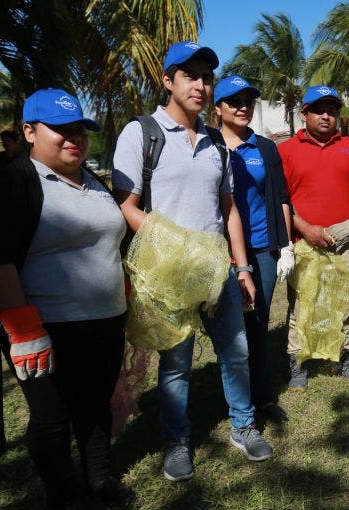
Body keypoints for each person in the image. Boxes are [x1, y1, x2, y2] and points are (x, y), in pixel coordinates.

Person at [0, 88, 132, 510]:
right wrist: (22, 326)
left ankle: (99, 478)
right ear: (29, 131)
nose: (73, 138)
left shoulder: (93, 180)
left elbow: (112, 242)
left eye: (79, 129)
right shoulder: (12, 184)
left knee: (97, 404)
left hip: (105, 319)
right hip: (45, 327)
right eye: (59, 130)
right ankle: (64, 500)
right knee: (52, 418)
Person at [113, 41, 273, 483]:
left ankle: (244, 426)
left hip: (218, 269)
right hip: (169, 273)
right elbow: (127, 205)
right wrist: (175, 249)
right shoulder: (141, 133)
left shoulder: (216, 144)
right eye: (190, 75)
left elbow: (229, 211)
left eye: (206, 77)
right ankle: (177, 441)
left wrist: (242, 268)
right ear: (168, 80)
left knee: (235, 352)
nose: (201, 85)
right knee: (176, 362)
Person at [278, 85, 349, 391]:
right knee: (302, 305)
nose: (326, 116)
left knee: (344, 303)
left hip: (347, 244)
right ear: (303, 113)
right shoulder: (285, 151)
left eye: (332, 110)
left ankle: (342, 357)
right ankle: (298, 362)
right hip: (304, 242)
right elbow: (281, 200)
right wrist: (303, 227)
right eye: (319, 109)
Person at [213, 75, 294, 422]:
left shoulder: (265, 147)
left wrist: (286, 244)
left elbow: (281, 199)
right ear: (218, 108)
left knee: (258, 323)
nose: (243, 107)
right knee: (228, 330)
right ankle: (235, 397)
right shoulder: (206, 145)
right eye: (234, 101)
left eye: (248, 100)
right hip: (218, 250)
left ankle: (261, 397)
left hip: (262, 248)